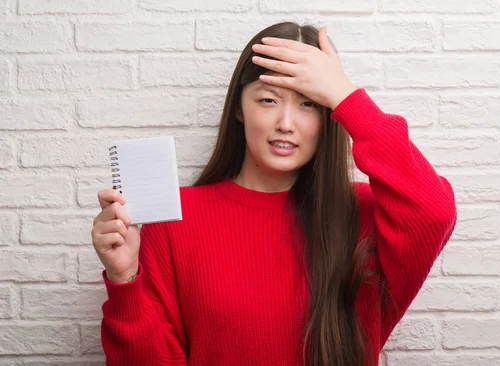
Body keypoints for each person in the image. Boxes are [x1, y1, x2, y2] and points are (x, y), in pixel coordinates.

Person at [91, 21, 457, 366]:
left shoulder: (361, 215)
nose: (286, 123)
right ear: (239, 107)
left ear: (328, 114)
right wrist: (124, 279)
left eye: (308, 103)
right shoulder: (176, 219)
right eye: (268, 100)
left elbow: (435, 212)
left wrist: (347, 97)